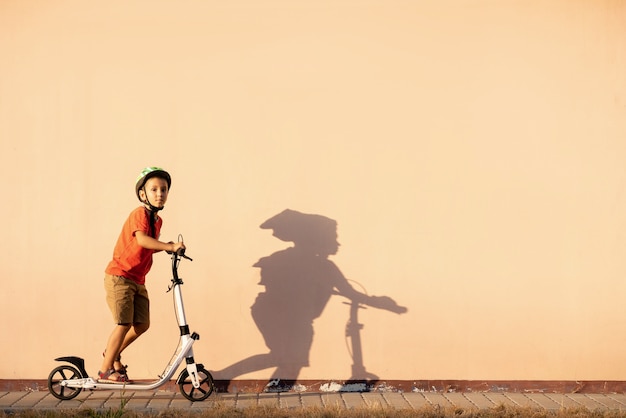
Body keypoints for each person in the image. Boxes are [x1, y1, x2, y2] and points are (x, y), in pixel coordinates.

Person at [97, 167, 185, 383]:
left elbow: (149, 246)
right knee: (123, 323)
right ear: (143, 194)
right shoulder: (139, 214)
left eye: (163, 189)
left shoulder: (157, 221)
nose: (160, 194)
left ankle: (113, 353)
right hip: (120, 276)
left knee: (142, 325)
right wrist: (169, 246)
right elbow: (142, 241)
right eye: (154, 189)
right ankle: (104, 370)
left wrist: (169, 246)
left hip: (137, 279)